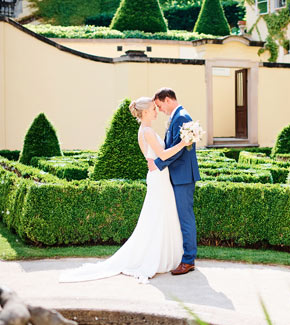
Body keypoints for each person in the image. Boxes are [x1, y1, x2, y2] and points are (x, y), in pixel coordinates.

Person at [59, 97, 189, 284]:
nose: (156, 111)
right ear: (144, 112)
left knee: (159, 215)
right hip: (159, 177)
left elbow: (153, 157)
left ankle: (165, 256)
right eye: (153, 108)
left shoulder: (143, 130)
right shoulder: (148, 131)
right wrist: (183, 143)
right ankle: (156, 259)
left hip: (158, 176)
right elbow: (162, 155)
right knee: (158, 216)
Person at [149, 88, 200, 276]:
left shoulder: (181, 117)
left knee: (186, 218)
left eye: (160, 105)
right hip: (179, 175)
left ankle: (188, 260)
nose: (160, 110)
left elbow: (178, 150)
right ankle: (186, 257)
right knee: (182, 217)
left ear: (168, 100)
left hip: (184, 177)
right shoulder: (178, 116)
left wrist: (157, 163)